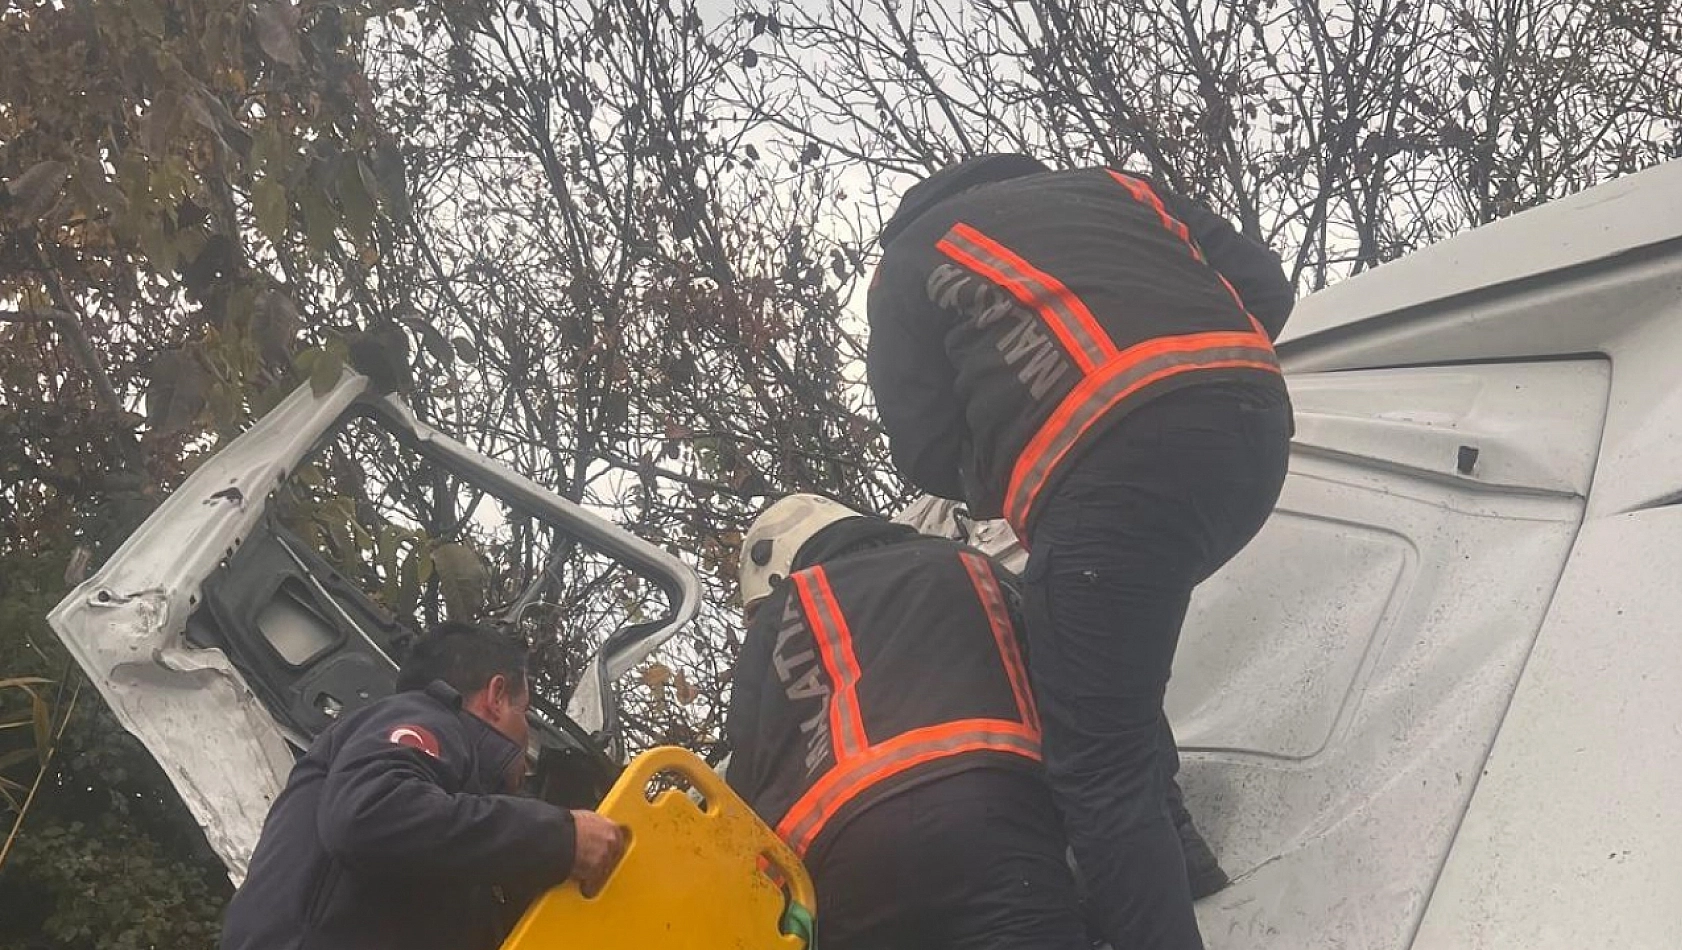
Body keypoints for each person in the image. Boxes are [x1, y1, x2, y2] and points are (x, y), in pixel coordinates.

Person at [866, 154, 1295, 950]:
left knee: (1096, 766)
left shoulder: (907, 260)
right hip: (1254, 429)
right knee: (1102, 662)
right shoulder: (1116, 187)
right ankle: (1187, 865)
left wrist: (1012, 466)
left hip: (1114, 472)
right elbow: (1265, 286)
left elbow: (923, 448)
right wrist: (1196, 386)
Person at [725, 493, 1087, 950]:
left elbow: (744, 775)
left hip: (848, 865)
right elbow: (1076, 687)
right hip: (993, 816)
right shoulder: (967, 563)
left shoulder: (782, 615)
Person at [221, 621, 627, 950]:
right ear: (496, 696)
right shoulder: (427, 717)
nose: (527, 737)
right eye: (526, 712)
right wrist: (559, 838)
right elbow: (372, 813)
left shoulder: (453, 831)